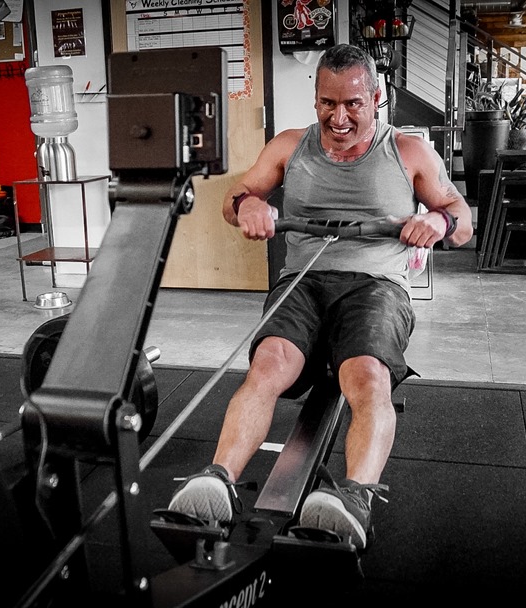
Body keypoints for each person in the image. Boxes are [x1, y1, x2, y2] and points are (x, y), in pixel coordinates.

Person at [166, 44, 472, 549]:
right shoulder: (289, 145)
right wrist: (249, 206)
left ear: (377, 98)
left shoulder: (409, 152)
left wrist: (438, 221)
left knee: (366, 376)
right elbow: (235, 199)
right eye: (328, 103)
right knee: (268, 364)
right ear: (315, 100)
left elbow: (462, 221)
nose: (340, 117)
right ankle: (217, 479)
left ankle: (355, 498)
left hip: (376, 287)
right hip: (302, 283)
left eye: (353, 103)